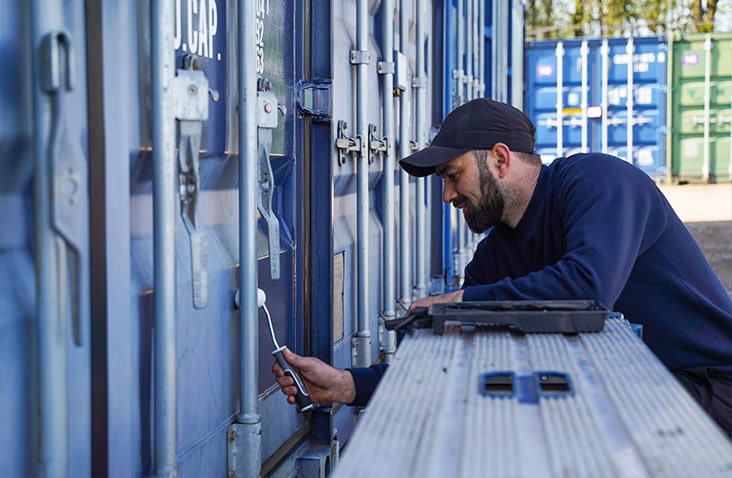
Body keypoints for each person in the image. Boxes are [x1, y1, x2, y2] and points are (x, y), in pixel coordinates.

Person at [273, 97, 732, 435]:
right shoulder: (498, 253)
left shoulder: (600, 182)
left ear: (500, 158)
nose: (447, 196)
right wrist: (348, 385)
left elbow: (588, 290)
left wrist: (460, 301)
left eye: (453, 176)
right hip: (634, 382)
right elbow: (458, 363)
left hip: (710, 385)